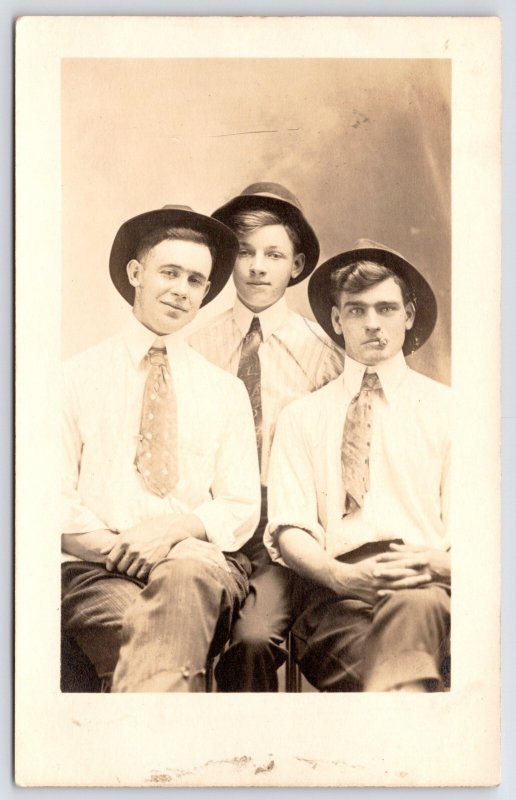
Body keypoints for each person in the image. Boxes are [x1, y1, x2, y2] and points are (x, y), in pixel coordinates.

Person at [61, 205, 261, 692]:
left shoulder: (223, 389)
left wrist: (171, 533)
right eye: (169, 272)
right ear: (136, 273)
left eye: (196, 280)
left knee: (184, 580)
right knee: (150, 631)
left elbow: (239, 506)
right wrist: (130, 550)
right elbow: (50, 501)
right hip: (97, 569)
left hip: (202, 564)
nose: (181, 290)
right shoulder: (74, 378)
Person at [265, 239, 451, 692]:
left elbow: (483, 532)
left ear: (408, 316)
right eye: (356, 310)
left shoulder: (450, 410)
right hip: (336, 595)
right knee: (400, 682)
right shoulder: (302, 417)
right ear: (336, 320)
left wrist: (436, 565)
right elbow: (290, 528)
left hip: (428, 583)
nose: (372, 324)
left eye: (386, 309)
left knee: (416, 609)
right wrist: (341, 577)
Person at [190, 182, 344, 691]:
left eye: (274, 254)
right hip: (214, 521)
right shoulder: (198, 345)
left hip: (283, 523)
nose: (257, 266)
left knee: (253, 639)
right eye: (244, 251)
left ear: (296, 266)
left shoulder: (322, 352)